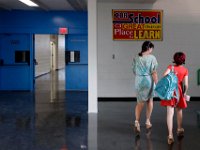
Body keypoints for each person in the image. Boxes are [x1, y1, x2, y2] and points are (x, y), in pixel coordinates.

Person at [160, 52, 189, 145]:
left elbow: (164, 75)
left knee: (170, 113)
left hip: (170, 91)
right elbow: (186, 84)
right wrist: (184, 93)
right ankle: (179, 129)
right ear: (183, 60)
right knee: (179, 110)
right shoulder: (185, 70)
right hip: (179, 91)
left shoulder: (171, 67)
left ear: (174, 59)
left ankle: (170, 135)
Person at [132, 41, 158, 136]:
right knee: (150, 101)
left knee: (139, 102)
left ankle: (137, 122)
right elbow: (154, 72)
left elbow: (134, 71)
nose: (152, 50)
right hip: (148, 81)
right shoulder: (152, 58)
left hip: (138, 80)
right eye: (151, 49)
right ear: (149, 48)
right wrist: (157, 83)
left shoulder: (136, 57)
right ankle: (147, 121)